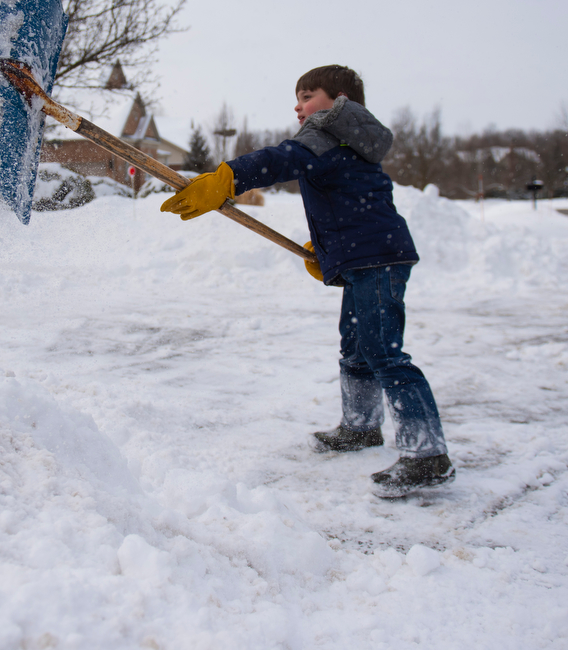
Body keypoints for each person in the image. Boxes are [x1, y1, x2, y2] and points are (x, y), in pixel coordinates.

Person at [159, 65, 453, 497]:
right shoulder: (349, 139)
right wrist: (333, 254)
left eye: (307, 95)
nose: (298, 106)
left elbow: (283, 159)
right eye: (296, 98)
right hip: (367, 255)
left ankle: (428, 454)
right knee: (355, 347)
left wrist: (229, 177)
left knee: (383, 352)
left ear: (338, 102)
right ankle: (360, 427)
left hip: (376, 259)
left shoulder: (329, 131)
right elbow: (356, 206)